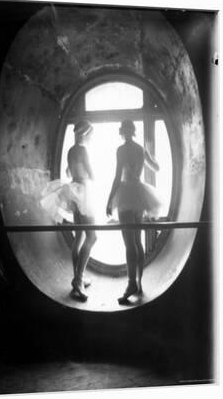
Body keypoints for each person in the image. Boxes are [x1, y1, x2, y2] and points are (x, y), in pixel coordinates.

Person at [39, 120, 97, 302]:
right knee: (92, 237)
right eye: (91, 134)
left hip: (74, 191)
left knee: (79, 237)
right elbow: (92, 174)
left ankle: (77, 277)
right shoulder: (83, 149)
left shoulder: (72, 150)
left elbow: (69, 172)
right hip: (83, 192)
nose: (91, 138)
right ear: (86, 134)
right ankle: (78, 280)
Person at [106, 119, 161, 305]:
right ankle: (138, 282)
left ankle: (131, 285)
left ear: (123, 132)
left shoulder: (121, 150)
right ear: (134, 131)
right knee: (137, 241)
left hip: (125, 194)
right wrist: (149, 154)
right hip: (139, 193)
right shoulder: (140, 149)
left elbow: (116, 177)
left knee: (129, 243)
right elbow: (157, 168)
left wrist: (109, 200)